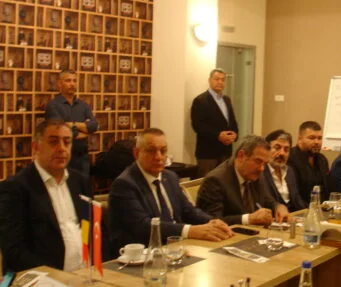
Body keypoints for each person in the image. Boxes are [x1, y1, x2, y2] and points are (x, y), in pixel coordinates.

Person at [108, 128, 233, 253]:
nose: (158, 157)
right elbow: (143, 226)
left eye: (163, 151)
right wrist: (190, 231)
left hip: (176, 248)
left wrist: (211, 221)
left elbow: (188, 211)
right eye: (151, 151)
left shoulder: (170, 177)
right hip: (142, 254)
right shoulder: (124, 184)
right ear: (136, 153)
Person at [0, 120, 91, 272]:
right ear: (36, 147)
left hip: (87, 273)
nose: (61, 148)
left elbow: (90, 226)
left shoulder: (79, 181)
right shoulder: (15, 188)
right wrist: (57, 276)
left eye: (67, 142)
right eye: (53, 142)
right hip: (46, 279)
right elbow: (14, 252)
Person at [196, 135, 289, 226]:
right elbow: (213, 221)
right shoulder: (215, 181)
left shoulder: (255, 174)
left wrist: (278, 207)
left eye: (264, 163)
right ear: (241, 155)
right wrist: (248, 219)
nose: (262, 168)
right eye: (258, 161)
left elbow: (266, 200)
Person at [45, 70, 98, 174]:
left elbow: (94, 126)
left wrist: (72, 124)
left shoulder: (83, 105)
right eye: (68, 81)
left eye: (74, 81)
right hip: (61, 158)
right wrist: (84, 130)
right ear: (59, 84)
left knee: (84, 184)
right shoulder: (53, 105)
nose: (72, 84)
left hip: (82, 158)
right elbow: (61, 131)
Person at [191, 68, 239, 177]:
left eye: (223, 80)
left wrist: (235, 134)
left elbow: (232, 121)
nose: (220, 82)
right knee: (207, 182)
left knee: (225, 182)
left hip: (226, 152)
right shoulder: (200, 100)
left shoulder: (227, 99)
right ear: (209, 80)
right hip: (208, 154)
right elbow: (197, 126)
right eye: (217, 79)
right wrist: (218, 135)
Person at [261, 129, 306, 212]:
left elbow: (297, 200)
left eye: (286, 149)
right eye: (277, 148)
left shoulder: (289, 171)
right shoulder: (260, 172)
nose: (282, 153)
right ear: (267, 149)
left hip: (293, 217)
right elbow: (264, 202)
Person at [287, 121, 331, 204]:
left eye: (319, 138)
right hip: (299, 208)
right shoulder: (290, 159)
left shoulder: (322, 160)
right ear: (300, 139)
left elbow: (327, 189)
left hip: (322, 207)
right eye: (312, 138)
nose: (317, 142)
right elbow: (294, 196)